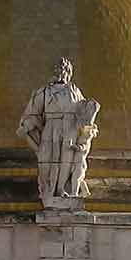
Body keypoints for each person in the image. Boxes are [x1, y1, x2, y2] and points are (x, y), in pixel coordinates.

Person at [17, 58, 94, 203]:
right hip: (51, 129)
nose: (59, 72)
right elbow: (32, 113)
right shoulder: (44, 92)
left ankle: (62, 190)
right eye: (56, 69)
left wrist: (89, 119)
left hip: (69, 130)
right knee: (46, 162)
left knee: (66, 162)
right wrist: (27, 125)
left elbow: (84, 113)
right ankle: (49, 191)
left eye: (62, 69)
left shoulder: (75, 91)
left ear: (68, 72)